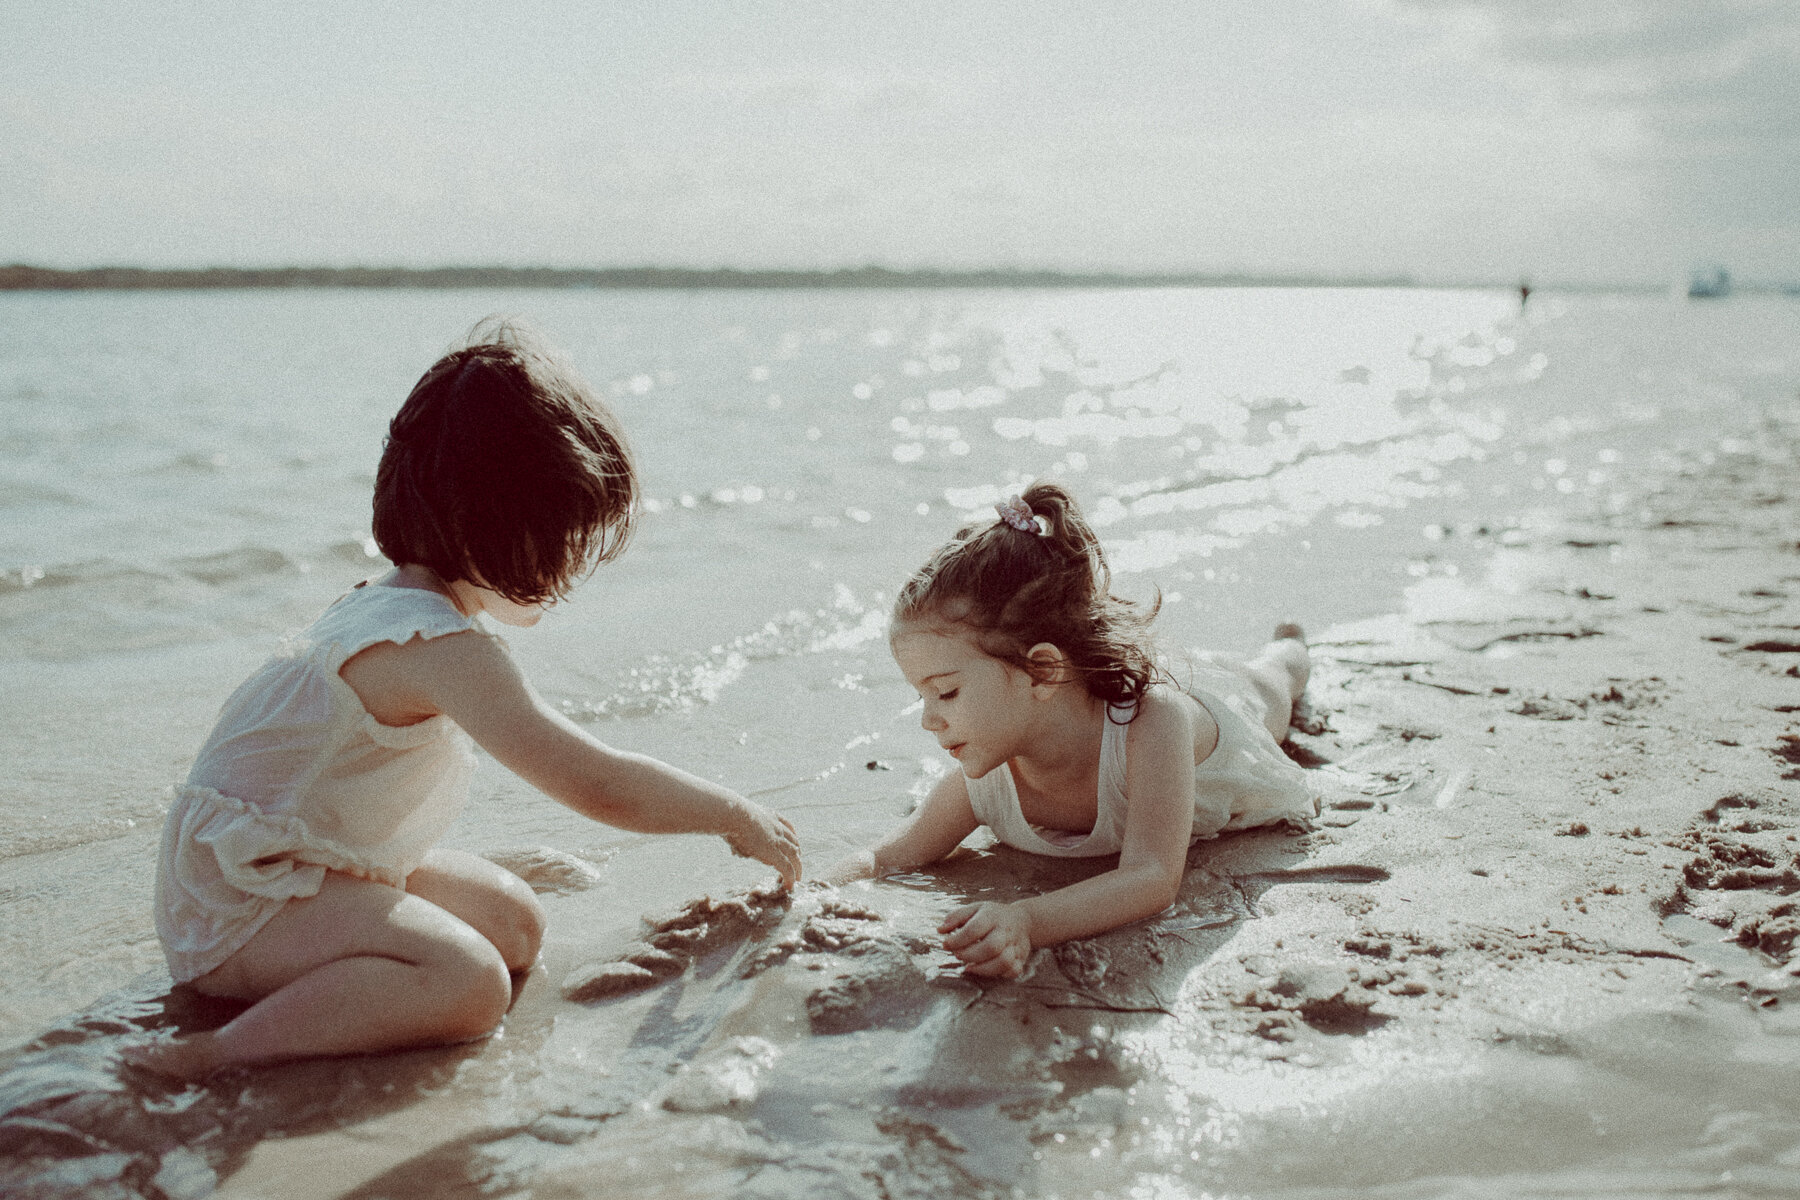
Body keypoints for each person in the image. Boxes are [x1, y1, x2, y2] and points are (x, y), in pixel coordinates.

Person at [130, 320, 801, 1079]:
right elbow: (595, 781)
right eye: (564, 537)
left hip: (282, 865)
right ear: (503, 523)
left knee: (514, 923)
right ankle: (214, 1053)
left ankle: (327, 982)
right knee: (470, 983)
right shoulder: (436, 646)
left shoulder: (385, 604)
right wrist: (732, 815)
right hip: (240, 909)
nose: (571, 565)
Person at [829, 482, 1316, 979]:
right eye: (922, 696)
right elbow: (887, 857)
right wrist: (811, 896)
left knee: (1274, 685)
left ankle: (1290, 647)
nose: (929, 719)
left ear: (1041, 672)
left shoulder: (1154, 726)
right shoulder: (987, 782)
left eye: (947, 693)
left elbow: (1152, 877)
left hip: (1225, 720)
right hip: (1096, 690)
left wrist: (1027, 921)